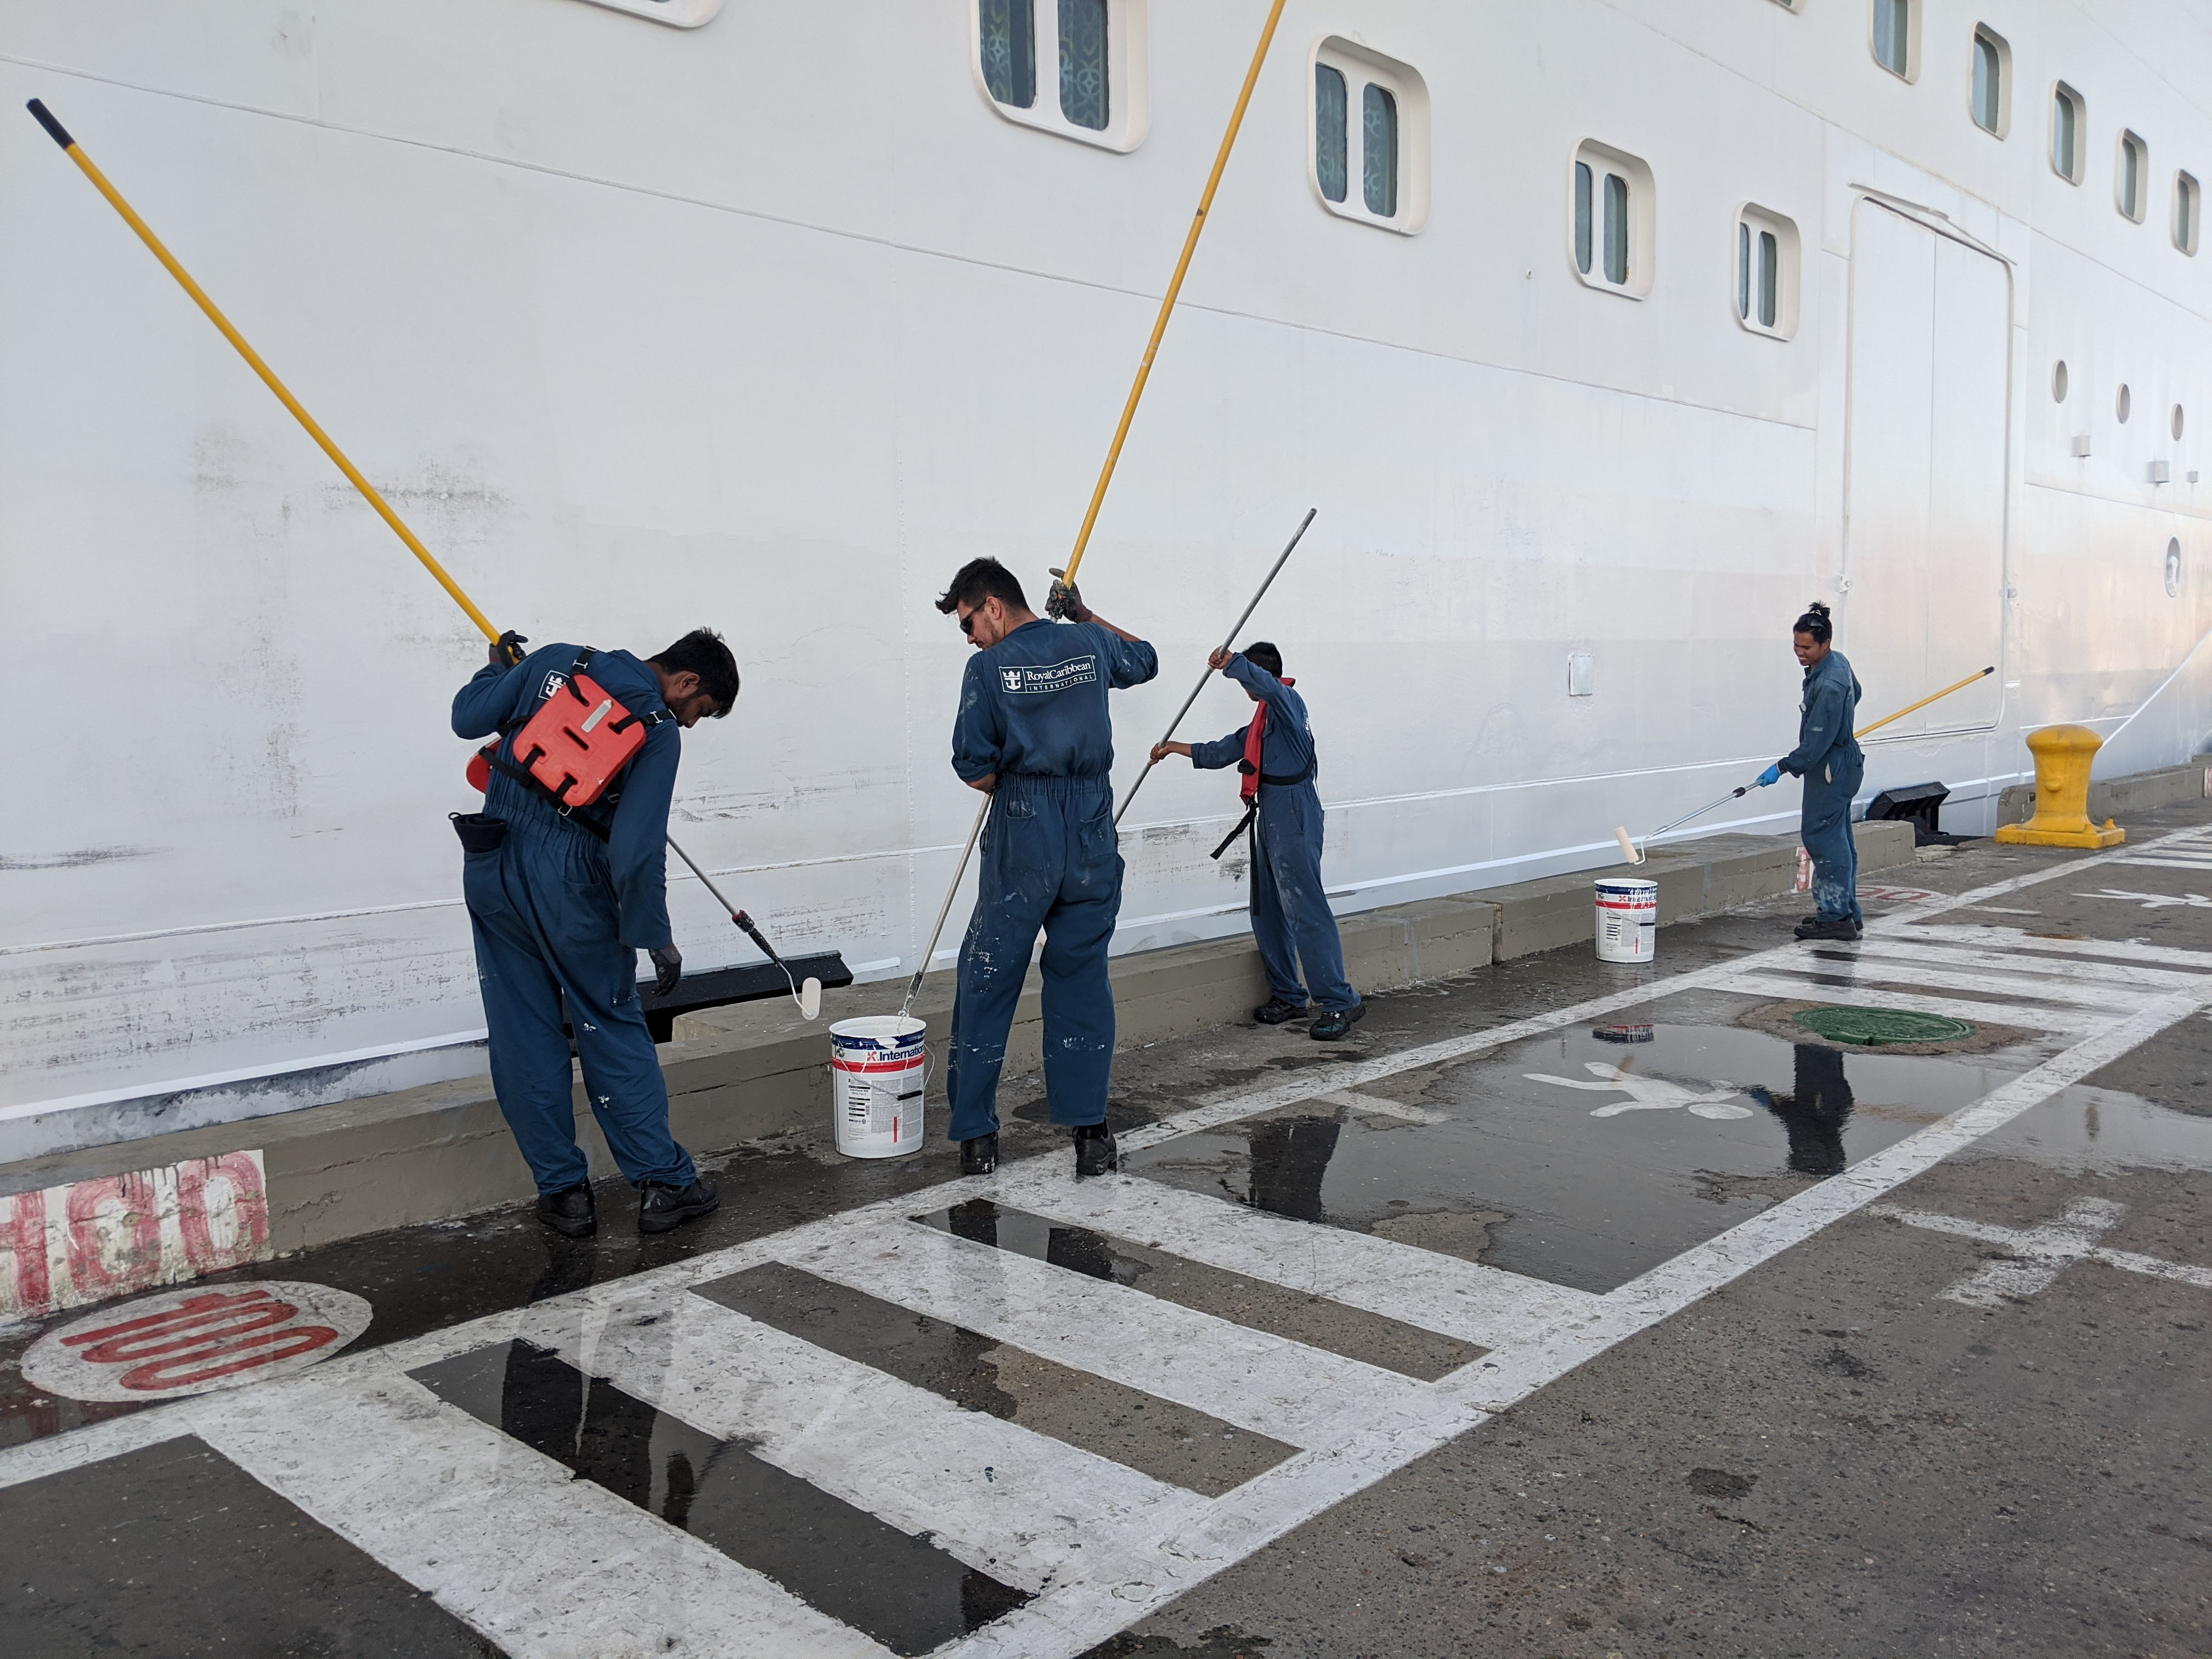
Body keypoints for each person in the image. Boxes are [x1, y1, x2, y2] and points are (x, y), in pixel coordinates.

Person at [452, 627, 738, 1238]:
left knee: (523, 1032)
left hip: (491, 860)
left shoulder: (557, 662)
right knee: (609, 1024)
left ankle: (564, 1197)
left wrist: (498, 671)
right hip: (569, 882)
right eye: (700, 711)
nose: (689, 723)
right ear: (685, 682)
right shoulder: (657, 729)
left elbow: (466, 717)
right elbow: (635, 850)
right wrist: (654, 935)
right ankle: (664, 1185)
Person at [936, 557, 1157, 1177]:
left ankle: (977, 1138)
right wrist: (1084, 613)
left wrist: (1021, 794)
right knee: (1082, 976)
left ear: (994, 605)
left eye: (968, 623)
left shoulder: (986, 667)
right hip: (1091, 820)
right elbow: (1145, 659)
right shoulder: (1088, 641)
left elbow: (972, 764)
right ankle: (1091, 1135)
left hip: (1025, 822)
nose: (971, 637)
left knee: (988, 972)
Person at [1152, 642, 1364, 1040]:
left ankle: (1341, 1001)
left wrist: (1232, 664)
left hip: (1295, 813)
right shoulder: (1260, 725)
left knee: (1306, 908)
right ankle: (1289, 994)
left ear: (1261, 676)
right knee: (1267, 910)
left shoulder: (1287, 703)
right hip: (1271, 813)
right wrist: (1170, 750)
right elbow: (1218, 752)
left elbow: (1267, 687)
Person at [1756, 601, 1864, 942]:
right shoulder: (1837, 663)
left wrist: (1782, 766)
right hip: (1843, 762)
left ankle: (1835, 917)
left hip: (1830, 767)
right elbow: (1857, 692)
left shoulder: (1828, 685)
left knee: (1822, 838)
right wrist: (1843, 723)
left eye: (1806, 648)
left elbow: (1815, 744)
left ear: (1824, 644)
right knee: (1840, 837)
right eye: (1796, 646)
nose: (1800, 653)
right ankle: (1848, 913)